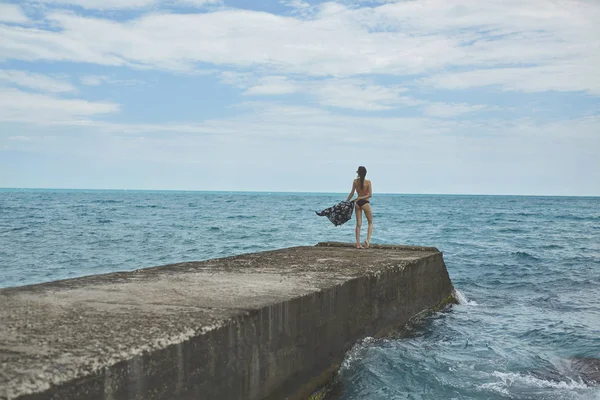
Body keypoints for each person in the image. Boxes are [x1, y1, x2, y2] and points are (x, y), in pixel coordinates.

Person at [346, 166, 373, 249]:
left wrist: (346, 201)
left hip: (357, 203)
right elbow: (370, 195)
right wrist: (361, 198)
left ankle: (358, 244)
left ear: (358, 173)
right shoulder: (368, 182)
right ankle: (367, 241)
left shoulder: (355, 181)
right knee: (370, 222)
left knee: (358, 224)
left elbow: (351, 193)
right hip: (365, 202)